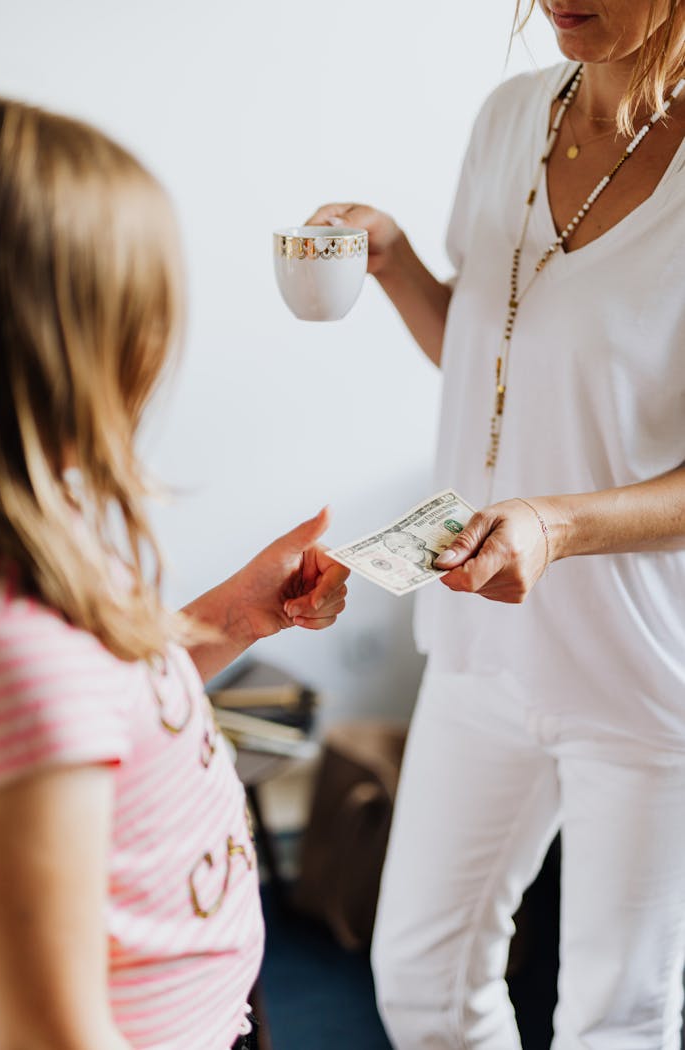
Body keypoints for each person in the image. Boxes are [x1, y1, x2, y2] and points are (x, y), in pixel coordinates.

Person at [309, 1, 685, 1047]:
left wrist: (554, 524)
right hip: (483, 640)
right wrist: (390, 264)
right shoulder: (509, 116)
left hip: (645, 668)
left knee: (618, 1016)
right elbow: (489, 365)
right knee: (420, 981)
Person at [0, 95, 349, 1050]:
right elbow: (53, 1030)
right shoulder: (22, 648)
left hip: (210, 998)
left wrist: (233, 618)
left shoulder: (43, 526)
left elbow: (114, 702)